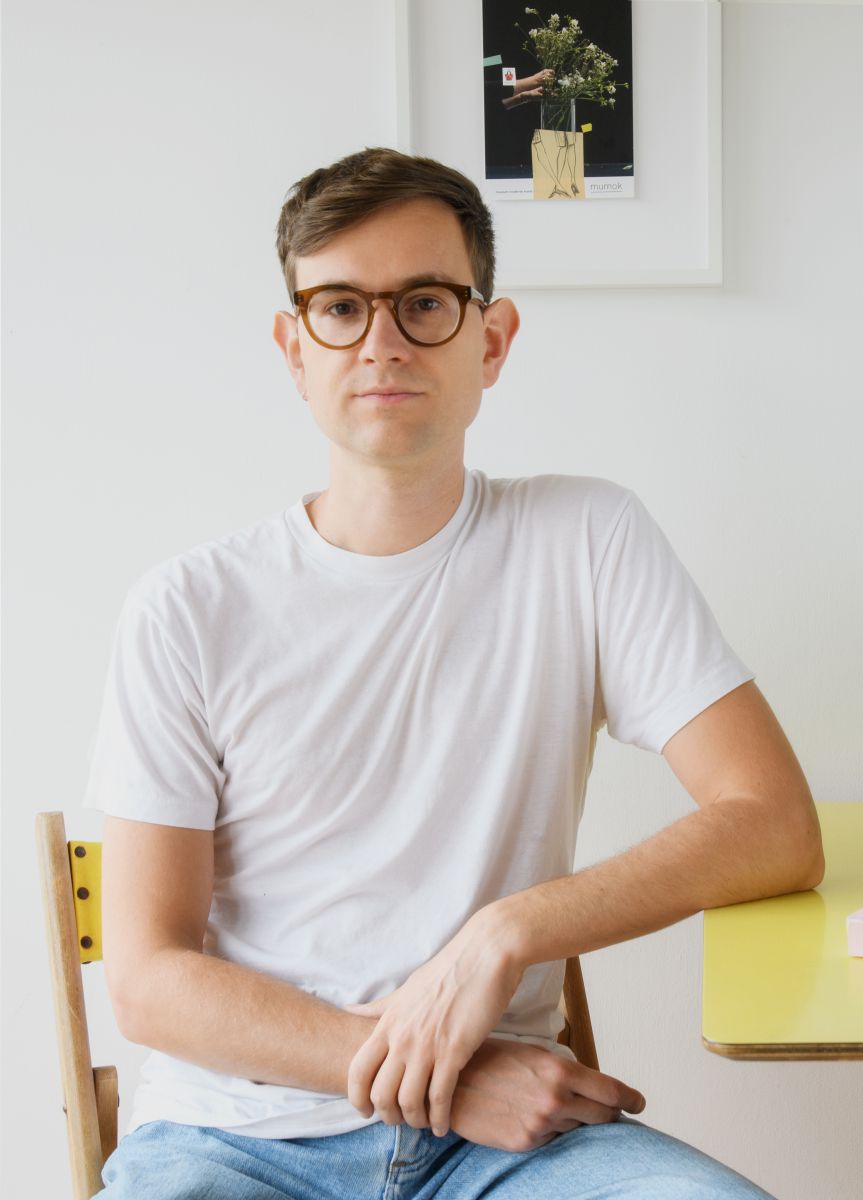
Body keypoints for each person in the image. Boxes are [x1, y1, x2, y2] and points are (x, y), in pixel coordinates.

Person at [83, 146, 824, 1199]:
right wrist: (440, 1075)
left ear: (493, 337)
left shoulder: (584, 536)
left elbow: (774, 824)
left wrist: (506, 932)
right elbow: (148, 981)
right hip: (234, 1138)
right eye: (339, 307)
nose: (382, 341)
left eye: (424, 301)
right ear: (295, 349)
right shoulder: (186, 607)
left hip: (508, 1145)